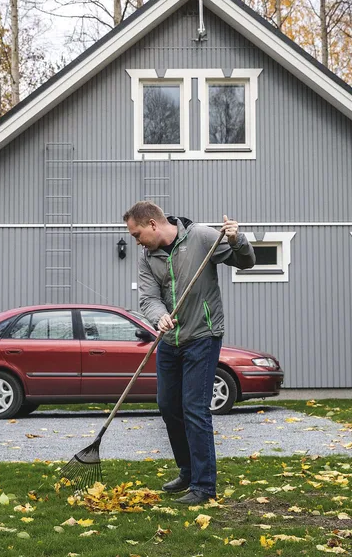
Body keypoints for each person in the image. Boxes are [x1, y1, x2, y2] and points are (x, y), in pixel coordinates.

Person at [123, 201, 255, 505]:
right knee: (168, 405)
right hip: (170, 340)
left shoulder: (202, 237)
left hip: (202, 336)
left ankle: (204, 486)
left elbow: (245, 262)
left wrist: (237, 239)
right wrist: (159, 316)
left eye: (137, 234)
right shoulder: (148, 257)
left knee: (194, 408)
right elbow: (148, 298)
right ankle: (188, 470)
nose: (136, 240)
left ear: (153, 225)